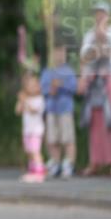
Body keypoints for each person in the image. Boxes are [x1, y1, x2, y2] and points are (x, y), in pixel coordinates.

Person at [78, 1, 111, 177]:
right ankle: (95, 162)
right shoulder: (89, 35)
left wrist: (101, 38)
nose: (99, 16)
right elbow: (85, 58)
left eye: (102, 13)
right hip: (93, 80)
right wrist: (82, 78)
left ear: (108, 15)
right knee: (95, 122)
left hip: (110, 79)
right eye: (97, 13)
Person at [41, 43, 78, 178]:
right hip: (51, 109)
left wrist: (61, 85)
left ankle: (69, 163)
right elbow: (43, 88)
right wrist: (50, 89)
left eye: (62, 52)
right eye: (56, 52)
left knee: (68, 138)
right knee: (52, 138)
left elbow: (74, 87)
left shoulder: (69, 71)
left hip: (65, 109)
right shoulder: (47, 71)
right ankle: (55, 163)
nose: (59, 55)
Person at [17, 72, 46, 183]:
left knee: (35, 151)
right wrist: (21, 101)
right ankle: (32, 171)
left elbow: (33, 111)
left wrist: (25, 101)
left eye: (35, 86)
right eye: (29, 86)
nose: (32, 88)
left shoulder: (40, 99)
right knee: (29, 151)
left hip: (36, 130)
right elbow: (18, 111)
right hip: (27, 130)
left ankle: (40, 172)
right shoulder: (26, 99)